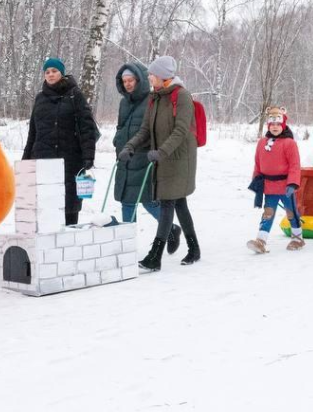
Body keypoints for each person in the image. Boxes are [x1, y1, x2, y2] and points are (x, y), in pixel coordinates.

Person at [121, 55, 200, 271]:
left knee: (167, 203)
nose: (149, 78)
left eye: (152, 75)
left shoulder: (182, 96)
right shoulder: (154, 97)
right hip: (162, 158)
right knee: (179, 204)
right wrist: (130, 146)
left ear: (163, 76)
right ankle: (194, 249)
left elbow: (181, 130)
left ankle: (155, 257)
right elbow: (145, 130)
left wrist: (161, 152)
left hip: (180, 159)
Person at [112, 64, 183, 252]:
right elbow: (121, 127)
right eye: (124, 81)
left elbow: (154, 131)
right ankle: (128, 245)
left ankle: (170, 229)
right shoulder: (123, 103)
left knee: (146, 200)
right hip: (125, 156)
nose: (127, 84)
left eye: (131, 81)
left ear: (139, 80)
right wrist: (118, 140)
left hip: (144, 157)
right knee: (127, 201)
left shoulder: (152, 100)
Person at [23, 58, 100, 226]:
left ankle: (69, 243)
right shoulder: (40, 98)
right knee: (46, 205)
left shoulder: (75, 95)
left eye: (54, 71)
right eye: (47, 72)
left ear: (62, 73)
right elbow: (33, 132)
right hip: (43, 159)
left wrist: (89, 157)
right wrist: (26, 159)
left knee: (69, 205)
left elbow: (87, 128)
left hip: (70, 159)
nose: (50, 74)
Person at [247, 107, 304, 253]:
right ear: (268, 126)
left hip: (286, 186)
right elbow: (258, 163)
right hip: (269, 186)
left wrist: (292, 183)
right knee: (268, 212)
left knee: (291, 212)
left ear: (283, 125)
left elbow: (294, 165)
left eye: (278, 125)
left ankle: (297, 238)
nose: (275, 127)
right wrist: (256, 181)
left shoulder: (289, 143)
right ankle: (261, 240)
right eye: (272, 125)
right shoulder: (261, 143)